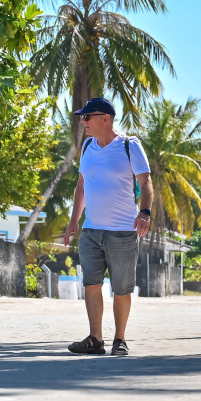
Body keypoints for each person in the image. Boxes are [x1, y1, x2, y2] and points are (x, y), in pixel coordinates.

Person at [61, 97, 154, 357]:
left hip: (122, 230)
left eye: (88, 117)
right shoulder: (88, 146)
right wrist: (73, 221)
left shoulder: (129, 145)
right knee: (91, 283)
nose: (84, 122)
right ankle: (95, 339)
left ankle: (120, 340)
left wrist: (145, 212)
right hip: (92, 230)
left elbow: (145, 182)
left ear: (106, 119)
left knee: (122, 288)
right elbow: (81, 185)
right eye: (82, 117)